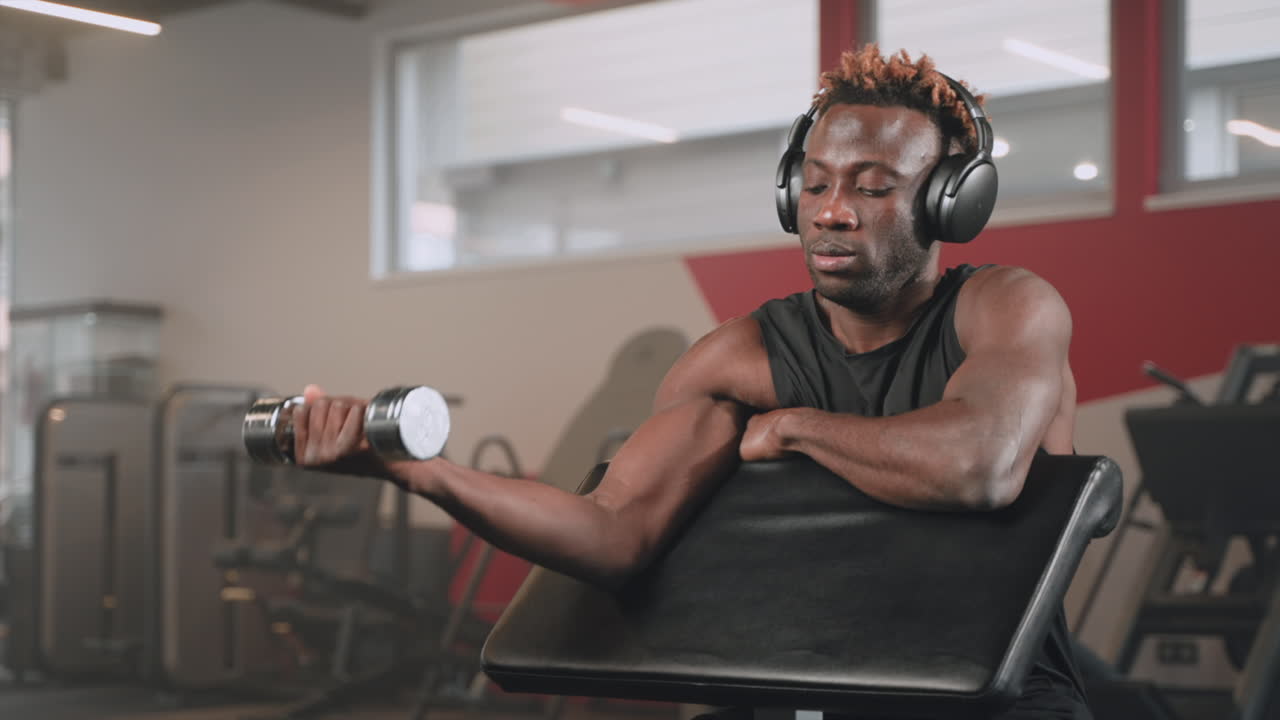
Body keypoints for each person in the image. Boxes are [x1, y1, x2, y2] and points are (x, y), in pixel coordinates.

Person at [295, 45, 1088, 719]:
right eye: (815, 185)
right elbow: (613, 530)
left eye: (873, 188)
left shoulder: (1006, 310)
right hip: (792, 681)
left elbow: (979, 467)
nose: (833, 212)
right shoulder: (736, 358)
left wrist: (794, 427)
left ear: (952, 201)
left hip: (989, 695)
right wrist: (419, 472)